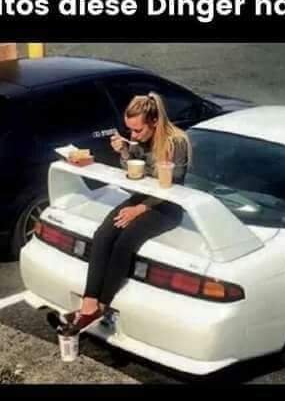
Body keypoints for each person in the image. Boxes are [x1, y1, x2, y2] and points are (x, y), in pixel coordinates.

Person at [48, 92, 191, 333]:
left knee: (125, 242)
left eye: (137, 130)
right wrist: (124, 151)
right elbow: (133, 173)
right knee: (103, 234)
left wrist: (139, 209)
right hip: (141, 196)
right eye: (130, 130)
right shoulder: (138, 140)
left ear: (154, 121)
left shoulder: (175, 142)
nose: (133, 135)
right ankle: (88, 304)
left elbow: (171, 185)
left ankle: (101, 305)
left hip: (167, 205)